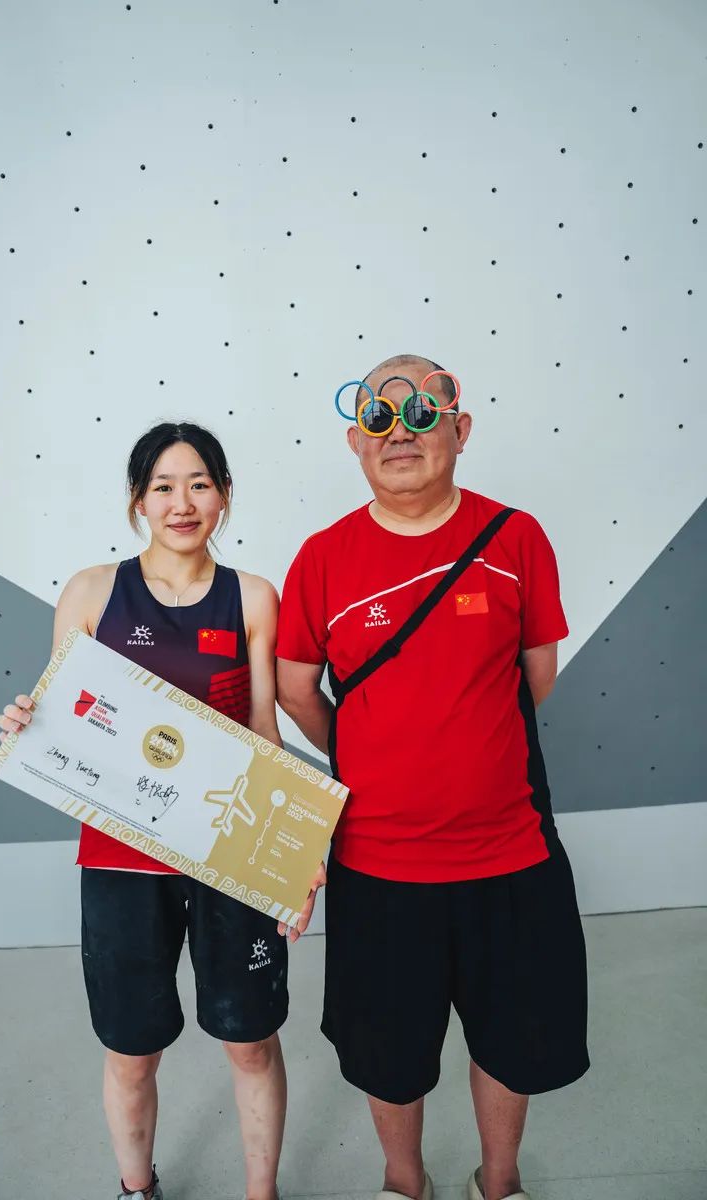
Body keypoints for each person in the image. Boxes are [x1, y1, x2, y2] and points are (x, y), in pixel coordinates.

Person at [275, 355, 590, 1200]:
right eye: (378, 418)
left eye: (421, 412)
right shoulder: (323, 556)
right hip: (377, 862)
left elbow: (536, 675)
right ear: (355, 442)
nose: (399, 432)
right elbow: (296, 690)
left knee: (514, 1041)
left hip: (511, 853)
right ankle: (403, 1182)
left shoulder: (515, 537)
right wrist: (375, 749)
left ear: (460, 428)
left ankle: (500, 1181)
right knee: (389, 1052)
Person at [0, 421, 303, 1200]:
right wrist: (25, 721)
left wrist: (291, 863)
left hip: (228, 855)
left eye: (199, 483)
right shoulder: (92, 591)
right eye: (163, 486)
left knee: (251, 1042)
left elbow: (264, 736)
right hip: (119, 859)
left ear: (224, 495)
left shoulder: (252, 596)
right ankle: (137, 1189)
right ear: (138, 500)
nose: (182, 502)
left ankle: (261, 1194)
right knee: (131, 1051)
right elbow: (63, 717)